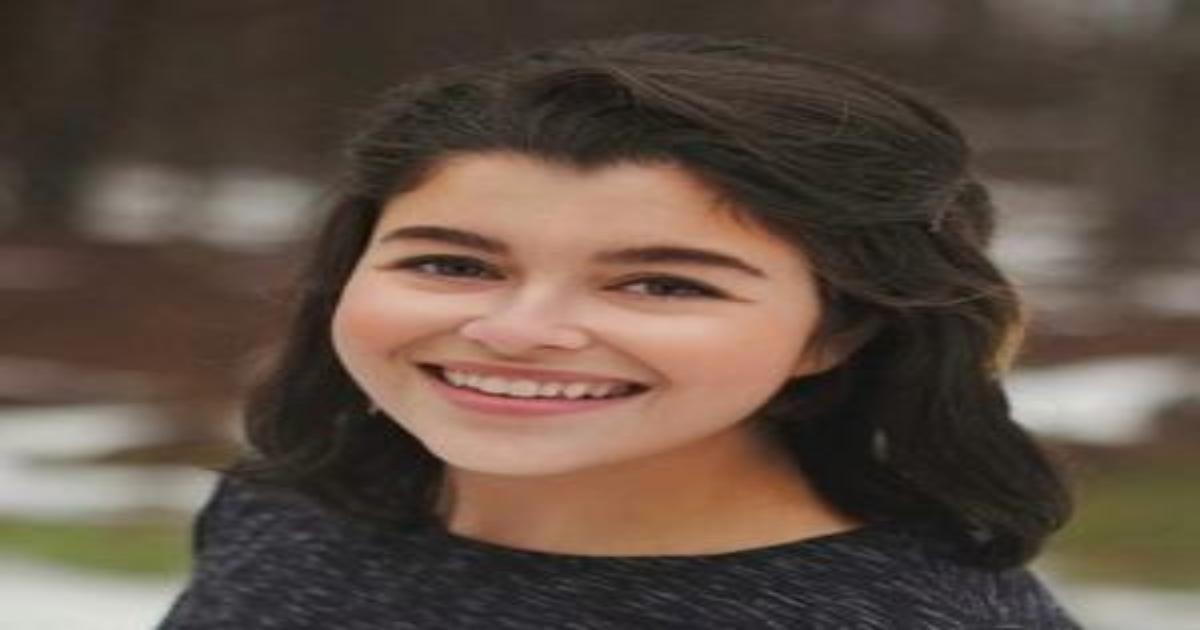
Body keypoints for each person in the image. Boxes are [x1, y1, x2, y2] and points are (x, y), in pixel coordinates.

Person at [158, 33, 1082, 629]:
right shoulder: (285, 516)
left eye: (662, 283)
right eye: (453, 263)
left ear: (837, 330)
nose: (519, 329)